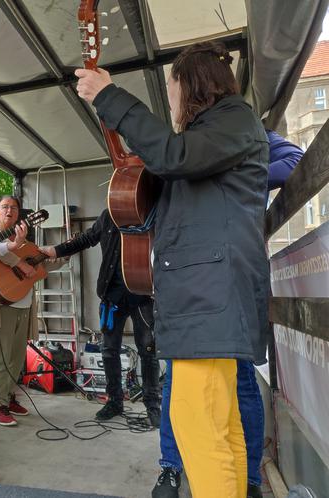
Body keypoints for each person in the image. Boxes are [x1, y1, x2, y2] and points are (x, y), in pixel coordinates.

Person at [76, 41, 270, 497]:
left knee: (198, 427)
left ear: (192, 84)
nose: (171, 100)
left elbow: (174, 156)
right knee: (218, 425)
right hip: (209, 297)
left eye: (172, 89)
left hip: (210, 298)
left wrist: (110, 97)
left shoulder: (232, 120)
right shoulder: (221, 132)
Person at [152, 130, 303, 498]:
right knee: (177, 378)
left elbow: (295, 162)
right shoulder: (187, 144)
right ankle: (171, 468)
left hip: (234, 275)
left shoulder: (253, 133)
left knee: (242, 380)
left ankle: (248, 477)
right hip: (192, 280)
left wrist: (237, 175)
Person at [41, 209, 161, 427]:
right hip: (112, 296)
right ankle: (115, 402)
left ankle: (153, 405)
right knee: (108, 351)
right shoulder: (109, 215)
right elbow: (87, 239)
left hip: (143, 295)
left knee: (148, 352)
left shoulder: (150, 212)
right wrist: (55, 250)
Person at [0, 195, 62, 427]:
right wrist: (18, 262)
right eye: (4, 207)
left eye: (14, 208)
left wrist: (62, 254)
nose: (9, 211)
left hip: (23, 305)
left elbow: (39, 267)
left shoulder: (26, 243)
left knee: (15, 358)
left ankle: (8, 397)